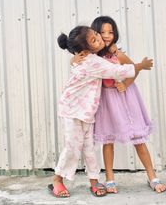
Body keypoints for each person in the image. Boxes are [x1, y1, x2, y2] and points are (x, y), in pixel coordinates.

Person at [48, 25, 153, 198]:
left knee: (89, 147)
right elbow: (116, 70)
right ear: (86, 49)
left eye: (97, 35)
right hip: (72, 110)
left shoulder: (91, 57)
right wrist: (140, 65)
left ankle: (94, 180)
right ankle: (57, 180)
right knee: (73, 147)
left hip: (87, 111)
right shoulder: (92, 61)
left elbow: (95, 63)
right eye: (95, 39)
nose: (101, 38)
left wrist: (74, 59)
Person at [90, 16, 166, 193]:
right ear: (95, 34)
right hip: (107, 101)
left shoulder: (118, 54)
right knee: (108, 140)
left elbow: (135, 69)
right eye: (102, 32)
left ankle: (152, 176)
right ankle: (110, 178)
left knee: (137, 137)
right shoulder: (92, 57)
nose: (107, 35)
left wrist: (125, 84)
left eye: (111, 32)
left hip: (125, 98)